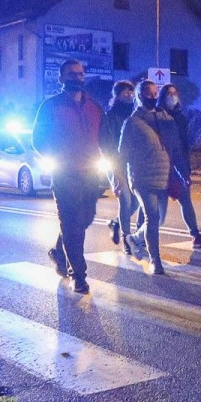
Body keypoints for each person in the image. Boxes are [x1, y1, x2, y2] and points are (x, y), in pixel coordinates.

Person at [32, 59, 104, 294]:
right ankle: (78, 276)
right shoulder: (50, 106)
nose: (78, 77)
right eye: (72, 74)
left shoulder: (94, 106)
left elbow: (104, 137)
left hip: (91, 175)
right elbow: (38, 140)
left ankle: (58, 252)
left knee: (84, 220)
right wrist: (58, 158)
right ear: (61, 79)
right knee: (72, 225)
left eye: (81, 73)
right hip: (65, 176)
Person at [119, 79, 170, 275]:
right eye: (149, 93)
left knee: (158, 219)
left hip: (163, 176)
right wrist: (120, 177)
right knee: (153, 216)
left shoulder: (163, 118)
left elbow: (175, 145)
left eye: (156, 93)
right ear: (140, 96)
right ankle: (155, 260)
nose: (154, 97)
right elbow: (122, 153)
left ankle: (134, 239)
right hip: (142, 177)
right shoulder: (132, 122)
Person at [155, 84, 201, 249]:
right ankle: (138, 237)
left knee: (185, 200)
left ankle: (195, 235)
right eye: (169, 94)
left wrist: (186, 168)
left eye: (175, 93)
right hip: (162, 166)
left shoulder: (180, 117)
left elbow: (184, 144)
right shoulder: (158, 116)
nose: (173, 97)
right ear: (162, 97)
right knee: (158, 210)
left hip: (179, 165)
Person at [101, 80, 139, 254]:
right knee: (126, 201)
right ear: (116, 95)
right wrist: (114, 171)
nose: (129, 95)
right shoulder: (110, 116)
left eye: (131, 92)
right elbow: (107, 145)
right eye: (125, 92)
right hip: (116, 164)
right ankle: (126, 239)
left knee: (136, 203)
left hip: (133, 164)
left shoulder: (135, 114)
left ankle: (115, 222)